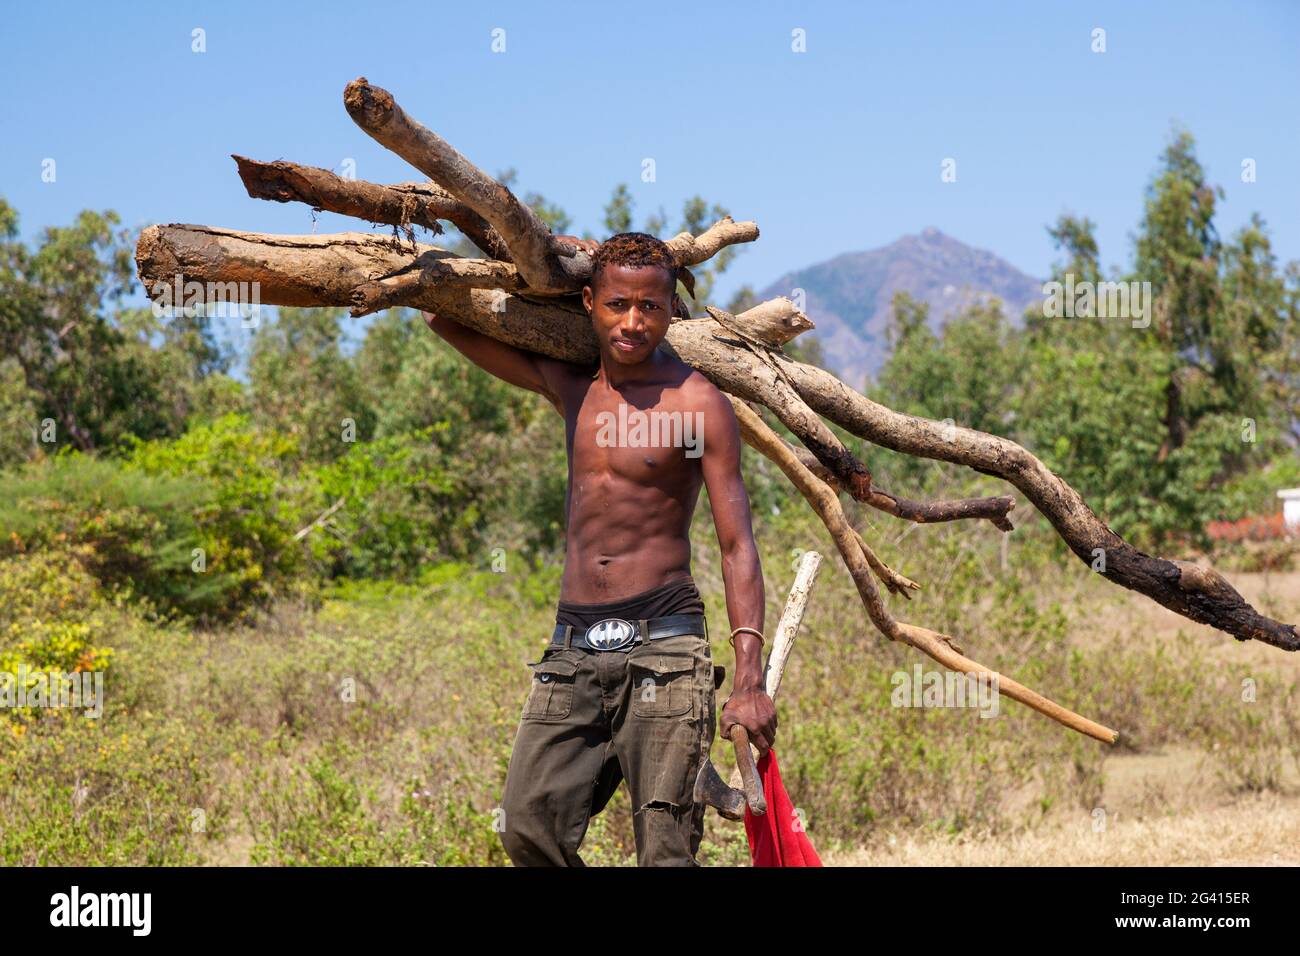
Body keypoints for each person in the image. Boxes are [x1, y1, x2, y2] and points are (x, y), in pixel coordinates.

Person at [422, 231, 776, 866]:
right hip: (572, 649)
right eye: (617, 305)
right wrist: (538, 250)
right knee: (528, 826)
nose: (633, 322)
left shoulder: (698, 405)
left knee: (666, 854)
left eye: (651, 307)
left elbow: (736, 544)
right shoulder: (572, 388)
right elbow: (442, 317)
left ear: (673, 310)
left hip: (664, 647)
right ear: (588, 301)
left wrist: (748, 673)